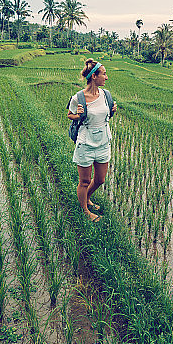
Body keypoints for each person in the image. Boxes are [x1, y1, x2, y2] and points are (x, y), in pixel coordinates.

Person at [67, 59, 117, 222]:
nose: (106, 77)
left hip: (103, 142)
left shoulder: (106, 95)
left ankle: (86, 199)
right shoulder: (78, 98)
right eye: (103, 74)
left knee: (100, 179)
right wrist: (78, 114)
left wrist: (113, 110)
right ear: (94, 76)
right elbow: (70, 115)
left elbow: (107, 115)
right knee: (85, 180)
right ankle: (84, 210)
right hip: (86, 143)